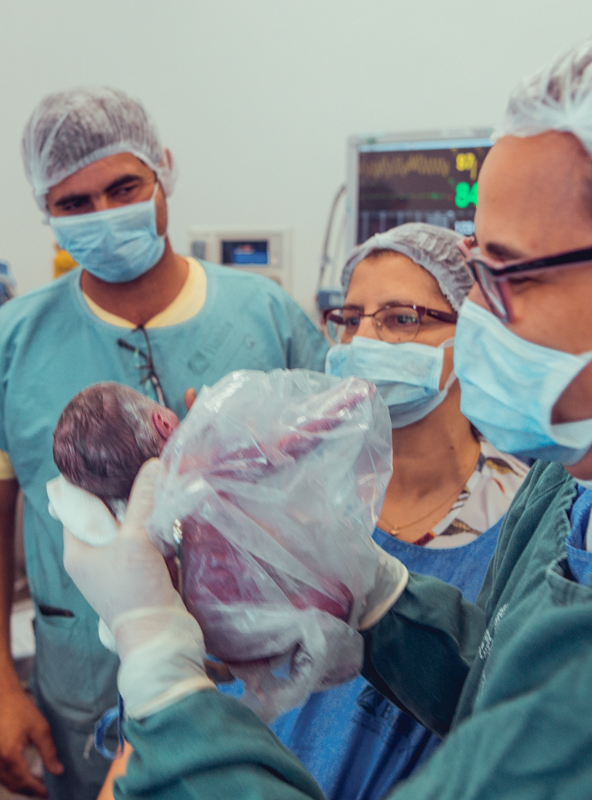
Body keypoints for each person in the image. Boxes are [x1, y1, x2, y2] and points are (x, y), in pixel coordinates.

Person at [62, 25, 592, 798]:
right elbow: (501, 683)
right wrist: (367, 591)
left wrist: (160, 669)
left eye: (514, 277)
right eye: (475, 267)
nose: (476, 319)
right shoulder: (590, 479)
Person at [0, 86, 329, 799]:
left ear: (165, 173)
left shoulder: (266, 316)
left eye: (124, 188)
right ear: (46, 211)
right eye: (74, 203)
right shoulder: (14, 341)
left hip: (261, 669)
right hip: (86, 682)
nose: (104, 215)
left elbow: (332, 488)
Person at [98, 223, 529, 800]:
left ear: (474, 332)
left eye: (402, 318)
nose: (363, 340)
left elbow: (507, 708)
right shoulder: (283, 485)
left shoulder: (523, 516)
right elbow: (176, 697)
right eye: (349, 319)